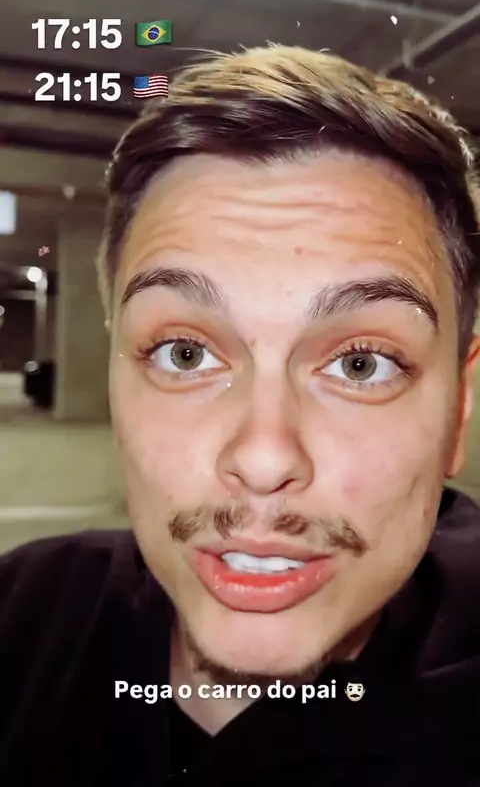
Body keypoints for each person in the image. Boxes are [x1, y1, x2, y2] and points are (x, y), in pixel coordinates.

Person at [1, 45, 480, 786]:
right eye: (186, 354)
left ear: (459, 408)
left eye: (361, 364)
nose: (263, 457)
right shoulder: (20, 614)